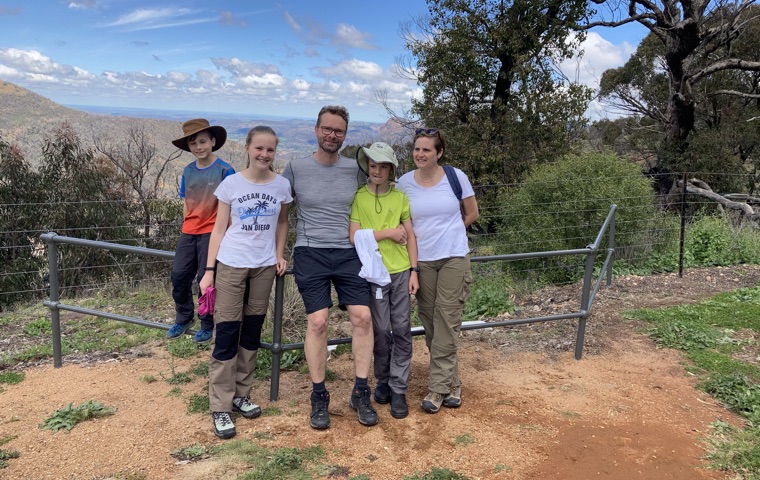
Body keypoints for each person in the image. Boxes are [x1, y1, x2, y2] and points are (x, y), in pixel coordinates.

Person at [282, 105, 378, 429]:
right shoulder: (295, 167)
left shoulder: (355, 169)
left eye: (338, 130)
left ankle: (361, 391)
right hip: (310, 250)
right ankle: (319, 395)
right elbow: (280, 212)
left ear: (344, 134)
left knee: (363, 317)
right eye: (327, 129)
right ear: (316, 129)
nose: (331, 135)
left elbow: (374, 200)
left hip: (349, 250)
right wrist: (276, 251)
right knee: (319, 322)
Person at [198, 126, 291, 439]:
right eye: (259, 149)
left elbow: (282, 223)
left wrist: (280, 255)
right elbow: (219, 229)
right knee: (226, 330)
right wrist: (209, 270)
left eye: (270, 150)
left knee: (251, 331)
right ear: (248, 149)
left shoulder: (282, 186)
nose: (264, 155)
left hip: (264, 267)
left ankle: (241, 393)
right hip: (231, 263)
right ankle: (220, 405)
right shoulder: (231, 184)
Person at [396, 127, 479, 414]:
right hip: (422, 262)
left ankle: (437, 389)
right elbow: (400, 220)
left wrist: (452, 232)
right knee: (432, 322)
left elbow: (472, 213)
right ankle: (453, 384)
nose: (420, 154)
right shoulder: (404, 183)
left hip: (454, 257)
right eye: (417, 149)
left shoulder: (456, 177)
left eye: (426, 150)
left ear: (438, 153)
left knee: (447, 317)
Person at [349, 142, 418, 420]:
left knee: (401, 328)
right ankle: (383, 379)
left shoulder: (400, 198)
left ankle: (398, 387)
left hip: (400, 270)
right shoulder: (359, 198)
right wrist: (388, 232)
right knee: (379, 330)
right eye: (373, 165)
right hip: (375, 273)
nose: (377, 171)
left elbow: (411, 235)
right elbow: (353, 236)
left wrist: (415, 270)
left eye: (382, 166)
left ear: (391, 169)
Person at [169, 119, 235, 343]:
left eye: (203, 141)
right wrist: (186, 221)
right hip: (189, 231)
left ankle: (207, 324)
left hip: (212, 232)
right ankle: (184, 316)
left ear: (213, 142)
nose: (198, 147)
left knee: (205, 279)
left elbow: (232, 206)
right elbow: (185, 200)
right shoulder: (188, 171)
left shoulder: (225, 170)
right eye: (193, 142)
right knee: (178, 275)